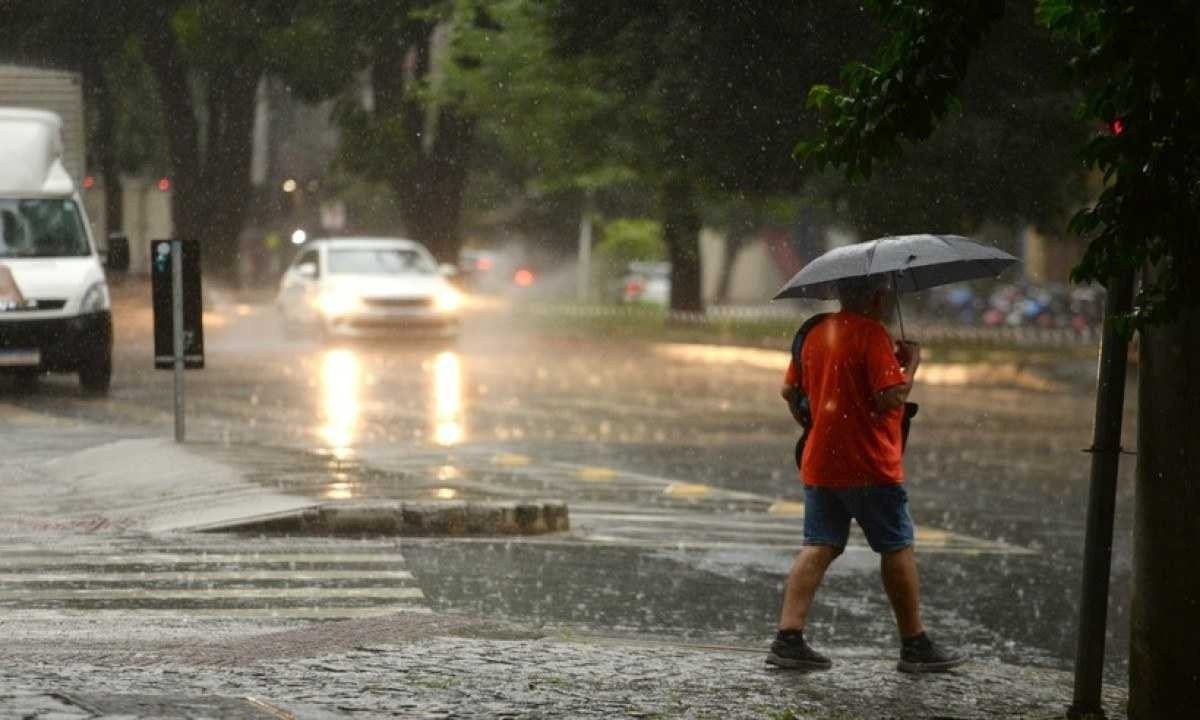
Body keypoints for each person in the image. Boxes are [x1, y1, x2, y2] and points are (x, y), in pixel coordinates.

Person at [767, 274, 966, 674]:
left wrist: (818, 426)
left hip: (822, 462)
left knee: (818, 545)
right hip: (871, 465)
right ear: (876, 296)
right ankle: (914, 643)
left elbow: (790, 392)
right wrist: (910, 366)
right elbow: (889, 396)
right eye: (886, 294)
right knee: (896, 546)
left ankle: (788, 638)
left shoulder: (813, 332)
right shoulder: (873, 335)